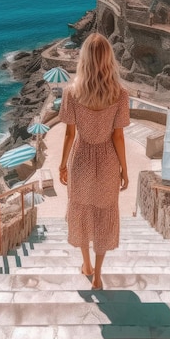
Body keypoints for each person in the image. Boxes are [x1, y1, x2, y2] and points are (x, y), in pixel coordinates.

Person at [59, 33, 129, 290]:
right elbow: (119, 136)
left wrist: (62, 164)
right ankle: (98, 275)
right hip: (108, 160)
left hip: (81, 160)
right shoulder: (120, 94)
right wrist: (124, 169)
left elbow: (69, 133)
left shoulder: (71, 92)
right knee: (103, 214)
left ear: (84, 58)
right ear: (109, 59)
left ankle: (86, 264)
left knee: (82, 211)